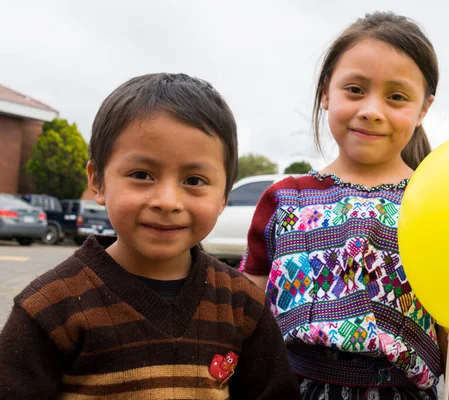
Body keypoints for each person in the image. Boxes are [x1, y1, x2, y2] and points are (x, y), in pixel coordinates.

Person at [0, 73, 301, 400]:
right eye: (141, 175)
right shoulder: (49, 308)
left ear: (224, 196)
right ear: (97, 180)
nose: (168, 202)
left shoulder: (244, 306)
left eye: (195, 180)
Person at [240, 12, 449, 400]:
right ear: (326, 93)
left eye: (397, 96)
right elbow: (244, 319)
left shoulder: (437, 208)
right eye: (355, 89)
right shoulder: (284, 199)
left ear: (423, 109)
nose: (372, 109)